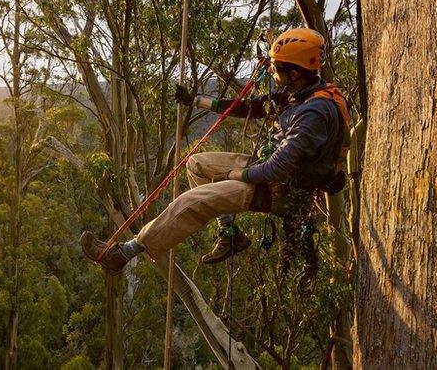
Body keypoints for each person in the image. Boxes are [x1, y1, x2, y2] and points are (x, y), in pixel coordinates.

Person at [80, 27, 349, 287]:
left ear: (293, 73)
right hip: (267, 169)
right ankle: (229, 234)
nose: (270, 71)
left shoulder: (314, 112)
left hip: (279, 189)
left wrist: (236, 175)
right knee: (196, 164)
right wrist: (196, 100)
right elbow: (251, 108)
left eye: (275, 69)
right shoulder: (298, 95)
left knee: (191, 201)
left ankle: (122, 254)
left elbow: (277, 168)